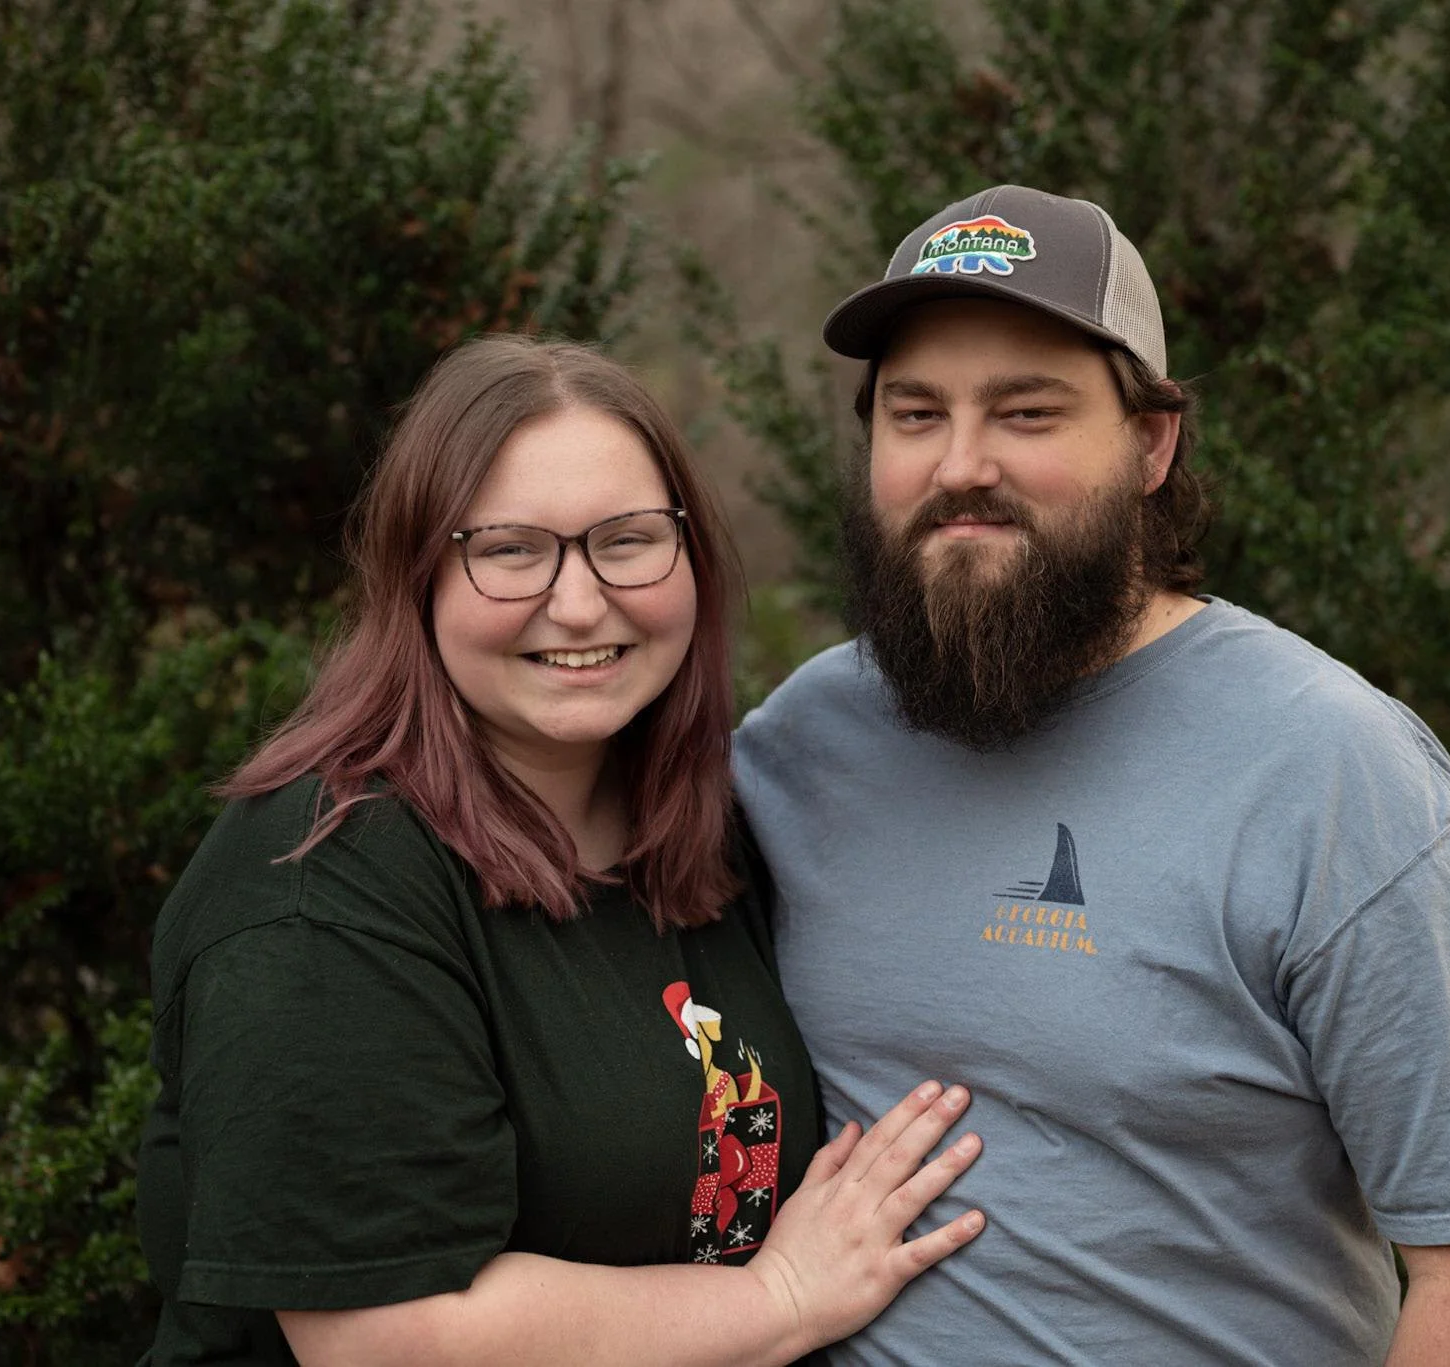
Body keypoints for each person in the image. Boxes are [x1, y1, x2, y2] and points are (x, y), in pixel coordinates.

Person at [733, 185, 1450, 1365]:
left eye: (1026, 411)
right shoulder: (802, 742)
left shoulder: (1332, 773)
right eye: (915, 413)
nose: (960, 464)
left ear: (1150, 442)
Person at [135, 334, 986, 1367]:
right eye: (509, 550)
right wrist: (782, 1296)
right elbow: (386, 1336)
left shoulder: (706, 837)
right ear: (418, 573)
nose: (579, 603)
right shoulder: (322, 887)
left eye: (627, 540)